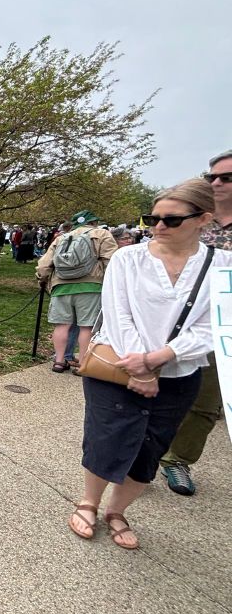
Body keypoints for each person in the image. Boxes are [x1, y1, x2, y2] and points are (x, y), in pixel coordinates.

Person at [68, 179, 231, 549]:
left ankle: (118, 510)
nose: (158, 226)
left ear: (203, 218)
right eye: (152, 218)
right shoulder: (129, 258)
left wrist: (161, 358)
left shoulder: (222, 265)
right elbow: (117, 313)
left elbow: (216, 324)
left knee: (150, 447)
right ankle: (89, 501)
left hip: (179, 372)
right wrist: (140, 365)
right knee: (104, 438)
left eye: (171, 220)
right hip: (117, 366)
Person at [159, 150, 232, 496]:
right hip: (173, 322)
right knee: (154, 392)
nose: (216, 183)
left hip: (223, 329)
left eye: (226, 178)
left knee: (205, 402)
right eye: (211, 176)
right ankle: (140, 456)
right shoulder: (184, 218)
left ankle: (178, 460)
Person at [36, 211, 117, 373]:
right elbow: (112, 261)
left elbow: (44, 264)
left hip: (61, 286)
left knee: (61, 326)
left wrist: (42, 280)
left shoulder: (61, 238)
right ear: (94, 222)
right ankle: (83, 363)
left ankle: (59, 361)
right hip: (91, 286)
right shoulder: (102, 234)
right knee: (86, 327)